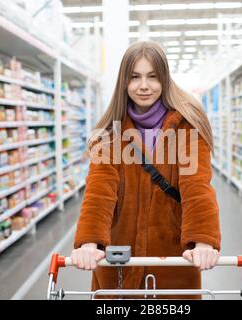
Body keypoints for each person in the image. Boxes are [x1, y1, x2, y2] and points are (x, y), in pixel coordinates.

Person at [70, 41, 221, 299]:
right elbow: (99, 192)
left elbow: (196, 186)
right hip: (118, 266)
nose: (143, 86)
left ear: (164, 79)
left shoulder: (187, 127)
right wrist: (89, 243)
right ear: (124, 82)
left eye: (152, 77)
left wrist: (203, 241)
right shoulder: (109, 134)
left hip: (173, 263)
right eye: (135, 77)